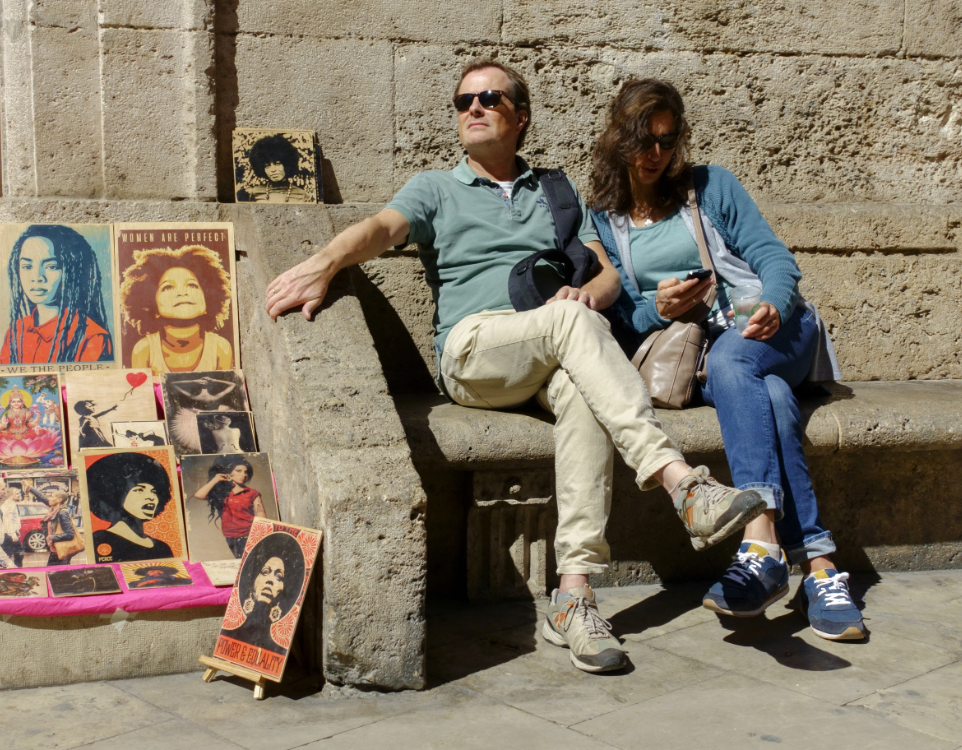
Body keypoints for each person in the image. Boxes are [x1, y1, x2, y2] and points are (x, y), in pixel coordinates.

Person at [264, 59, 766, 673]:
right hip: (474, 351)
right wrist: (324, 263)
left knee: (583, 392)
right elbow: (379, 229)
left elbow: (607, 277)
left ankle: (574, 596)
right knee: (571, 326)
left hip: (549, 347)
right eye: (463, 101)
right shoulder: (435, 187)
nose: (473, 108)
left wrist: (585, 296)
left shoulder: (555, 190)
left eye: (490, 99)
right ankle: (680, 481)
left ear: (520, 117)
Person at [589, 79, 864, 641]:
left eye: (667, 140)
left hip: (776, 330)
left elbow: (775, 259)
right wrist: (657, 308)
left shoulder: (710, 186)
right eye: (643, 139)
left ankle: (759, 542)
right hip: (704, 359)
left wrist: (773, 303)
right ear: (618, 137)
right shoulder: (602, 217)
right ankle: (819, 566)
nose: (655, 153)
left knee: (738, 361)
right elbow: (619, 315)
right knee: (771, 397)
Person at [0, 224, 114, 365]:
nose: (37, 277)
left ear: (72, 273)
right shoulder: (16, 330)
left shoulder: (92, 336)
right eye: (27, 266)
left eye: (51, 266)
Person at [120, 245, 234, 374]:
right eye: (168, 287)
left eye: (192, 285)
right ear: (152, 304)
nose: (182, 293)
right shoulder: (144, 349)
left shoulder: (220, 347)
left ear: (208, 297)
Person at [224, 532, 305, 656]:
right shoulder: (229, 637)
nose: (270, 580)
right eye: (265, 572)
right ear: (253, 581)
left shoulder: (277, 650)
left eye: (279, 577)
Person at [86, 451, 177, 562]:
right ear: (115, 494)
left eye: (153, 491)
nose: (151, 497)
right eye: (139, 490)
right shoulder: (99, 540)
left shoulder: (162, 548)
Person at [194, 456, 265, 558]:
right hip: (230, 536)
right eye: (238, 471)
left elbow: (261, 515)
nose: (243, 475)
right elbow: (199, 495)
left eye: (245, 472)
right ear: (229, 472)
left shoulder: (252, 493)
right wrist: (216, 479)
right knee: (240, 561)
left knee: (249, 561)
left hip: (249, 534)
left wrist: (262, 536)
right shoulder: (221, 493)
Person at [238, 133, 311, 203]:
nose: (273, 170)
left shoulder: (302, 195)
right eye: (267, 166)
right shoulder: (255, 193)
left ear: (287, 164)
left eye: (277, 164)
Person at [30, 487, 77, 566]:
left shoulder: (62, 513)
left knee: (57, 572)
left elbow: (70, 534)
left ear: (59, 500)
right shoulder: (54, 511)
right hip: (55, 549)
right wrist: (30, 488)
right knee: (52, 571)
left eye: (52, 497)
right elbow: (44, 499)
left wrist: (52, 537)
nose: (50, 499)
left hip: (62, 550)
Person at [0, 480, 24, 568]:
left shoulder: (11, 503)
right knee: (16, 554)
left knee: (16, 554)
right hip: (9, 534)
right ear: (11, 495)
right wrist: (12, 534)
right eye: (16, 494)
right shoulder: (9, 504)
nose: (19, 495)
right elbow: (6, 520)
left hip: (10, 533)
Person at [127, 564, 192, 588]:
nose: (148, 573)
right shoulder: (144, 579)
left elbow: (189, 582)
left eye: (151, 571)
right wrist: (146, 582)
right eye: (148, 572)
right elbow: (131, 586)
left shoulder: (174, 579)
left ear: (159, 571)